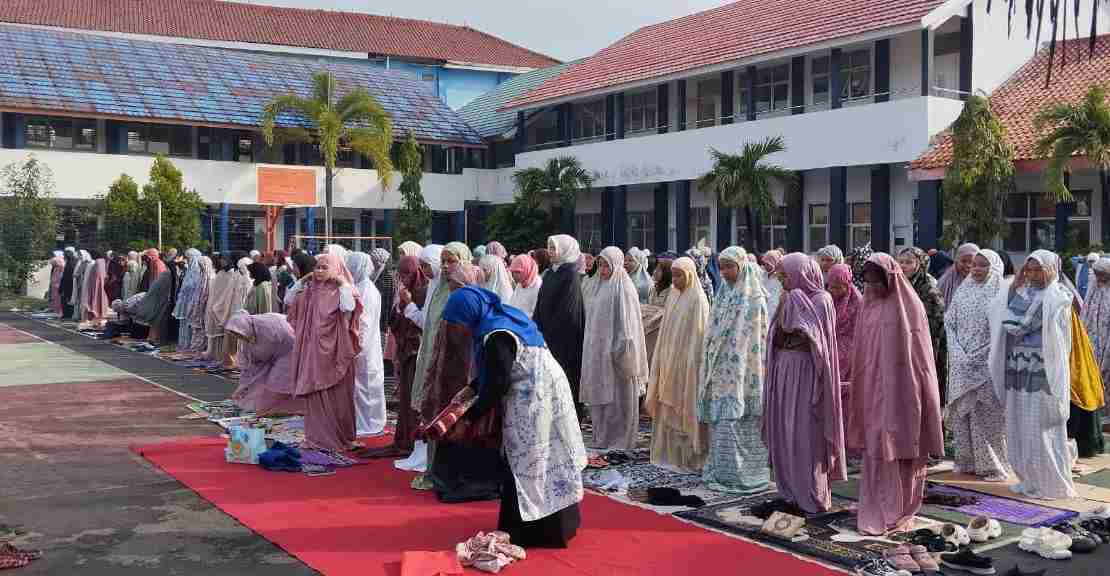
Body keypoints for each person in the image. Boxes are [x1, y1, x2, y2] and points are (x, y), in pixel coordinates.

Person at [444, 287, 587, 548]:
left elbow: (497, 383)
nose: (458, 329)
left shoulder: (496, 335)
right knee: (549, 454)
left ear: (469, 313)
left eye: (457, 321)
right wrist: (472, 389)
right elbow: (498, 369)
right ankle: (556, 526)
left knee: (529, 458)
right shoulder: (502, 321)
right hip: (545, 389)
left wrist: (468, 419)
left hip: (535, 397)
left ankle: (533, 531)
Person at [848, 252, 944, 535]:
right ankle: (876, 502)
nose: (872, 285)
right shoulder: (868, 304)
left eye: (877, 279)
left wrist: (918, 390)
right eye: (868, 280)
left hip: (903, 390)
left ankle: (900, 507)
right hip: (873, 389)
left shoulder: (909, 305)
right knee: (876, 444)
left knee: (902, 443)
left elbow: (921, 355)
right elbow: (862, 351)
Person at [989, 250, 1077, 500]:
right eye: (1029, 270)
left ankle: (1051, 483)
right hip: (1019, 368)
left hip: (1043, 370)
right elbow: (1004, 319)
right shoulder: (1025, 293)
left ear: (1052, 269)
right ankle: (1029, 478)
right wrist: (1014, 288)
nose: (1033, 274)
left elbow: (1018, 325)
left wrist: (1016, 300)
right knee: (1020, 423)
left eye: (1039, 269)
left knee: (1042, 426)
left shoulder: (1057, 296)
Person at [764, 253, 846, 514]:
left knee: (805, 433)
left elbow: (814, 339)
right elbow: (777, 333)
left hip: (808, 374)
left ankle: (811, 493)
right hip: (784, 370)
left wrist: (795, 307)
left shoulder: (822, 300)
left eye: (786, 276)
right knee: (784, 431)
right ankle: (788, 491)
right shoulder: (788, 297)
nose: (783, 282)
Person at [698, 247, 769, 494]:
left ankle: (747, 475)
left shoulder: (755, 298)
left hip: (744, 375)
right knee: (722, 425)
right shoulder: (723, 294)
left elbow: (757, 341)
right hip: (720, 372)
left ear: (742, 267)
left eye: (730, 267)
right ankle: (723, 471)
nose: (725, 272)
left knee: (741, 423)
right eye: (722, 268)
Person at [286, 252, 362, 452]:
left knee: (337, 398)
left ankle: (340, 437)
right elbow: (288, 299)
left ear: (336, 269)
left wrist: (341, 282)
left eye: (324, 267)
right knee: (315, 396)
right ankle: (318, 438)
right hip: (313, 355)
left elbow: (348, 307)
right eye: (317, 267)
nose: (319, 271)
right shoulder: (309, 291)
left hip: (335, 354)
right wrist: (303, 279)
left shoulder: (342, 291)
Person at [945, 249, 1009, 480]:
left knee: (986, 415)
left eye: (983, 265)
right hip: (961, 364)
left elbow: (1003, 331)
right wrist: (958, 352)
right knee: (963, 414)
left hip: (986, 364)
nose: (977, 269)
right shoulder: (964, 289)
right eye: (974, 265)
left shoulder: (1002, 292)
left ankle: (991, 465)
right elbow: (949, 322)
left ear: (994, 267)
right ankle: (967, 461)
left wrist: (980, 355)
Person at [645, 257, 710, 472]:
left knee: (683, 406)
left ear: (689, 275)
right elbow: (666, 330)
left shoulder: (698, 299)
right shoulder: (673, 295)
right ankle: (669, 454)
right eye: (673, 275)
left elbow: (699, 337)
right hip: (668, 358)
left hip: (687, 363)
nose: (675, 280)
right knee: (666, 405)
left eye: (679, 275)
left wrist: (690, 362)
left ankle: (688, 457)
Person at [581, 247, 649, 452]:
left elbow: (628, 325)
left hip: (617, 354)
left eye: (606, 266)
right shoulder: (598, 286)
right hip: (598, 351)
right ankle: (603, 436)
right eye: (600, 265)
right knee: (600, 395)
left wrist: (620, 349)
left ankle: (620, 439)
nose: (602, 270)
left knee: (618, 398)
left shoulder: (624, 288)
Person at [363, 255, 427, 459]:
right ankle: (404, 438)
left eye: (408, 274)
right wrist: (400, 306)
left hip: (417, 353)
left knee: (414, 399)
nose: (404, 278)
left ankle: (413, 440)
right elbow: (395, 321)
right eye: (401, 274)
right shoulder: (403, 291)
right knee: (406, 399)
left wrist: (408, 304)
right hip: (405, 351)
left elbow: (423, 324)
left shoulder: (424, 292)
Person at [393, 245, 443, 471]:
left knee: (427, 402)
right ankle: (416, 446)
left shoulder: (432, 289)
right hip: (419, 351)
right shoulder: (433, 287)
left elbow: (427, 323)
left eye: (425, 266)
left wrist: (409, 304)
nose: (424, 270)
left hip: (428, 352)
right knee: (413, 399)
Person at [533, 235, 586, 414]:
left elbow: (567, 311)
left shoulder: (570, 274)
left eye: (554, 248)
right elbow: (540, 302)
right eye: (549, 247)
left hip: (564, 339)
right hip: (546, 336)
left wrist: (550, 332)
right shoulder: (550, 273)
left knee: (566, 377)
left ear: (565, 250)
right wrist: (536, 328)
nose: (550, 251)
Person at [226, 311, 304, 414]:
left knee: (278, 383)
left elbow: (265, 358)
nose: (239, 337)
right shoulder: (248, 335)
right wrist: (241, 387)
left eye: (238, 333)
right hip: (279, 354)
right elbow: (249, 367)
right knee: (264, 381)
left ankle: (286, 407)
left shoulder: (268, 326)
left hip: (292, 350)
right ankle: (273, 406)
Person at [899, 247, 949, 404]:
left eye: (908, 262)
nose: (903, 266)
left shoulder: (929, 288)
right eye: (901, 262)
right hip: (904, 341)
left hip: (926, 342)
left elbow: (936, 322)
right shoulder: (900, 284)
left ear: (919, 264)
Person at [347, 251, 387, 437]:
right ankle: (364, 422)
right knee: (362, 387)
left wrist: (357, 346)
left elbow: (363, 323)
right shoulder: (361, 287)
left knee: (367, 387)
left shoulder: (367, 290)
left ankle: (369, 425)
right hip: (363, 345)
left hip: (364, 346)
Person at [206, 254, 252, 366]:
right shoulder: (235, 275)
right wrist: (220, 306)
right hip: (234, 307)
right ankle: (229, 357)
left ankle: (241, 359)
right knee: (232, 334)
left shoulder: (248, 279)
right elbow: (229, 293)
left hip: (245, 309)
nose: (242, 270)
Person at [826, 263, 861, 383]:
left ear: (847, 285)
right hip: (830, 347)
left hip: (851, 352)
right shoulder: (827, 298)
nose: (833, 291)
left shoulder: (857, 302)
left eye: (838, 287)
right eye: (831, 287)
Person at [1083, 258, 1110, 407]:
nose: (1099, 277)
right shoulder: (1093, 288)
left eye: (1102, 274)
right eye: (1097, 274)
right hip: (1092, 338)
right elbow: (1085, 311)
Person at [172, 249, 203, 345]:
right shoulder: (188, 270)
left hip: (193, 302)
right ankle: (183, 343)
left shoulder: (199, 271)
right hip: (186, 301)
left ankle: (189, 344)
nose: (187, 260)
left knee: (190, 323)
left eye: (189, 258)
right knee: (184, 323)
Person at [185, 256, 214, 355]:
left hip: (206, 307)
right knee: (197, 328)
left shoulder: (211, 277)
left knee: (203, 328)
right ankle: (195, 348)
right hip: (198, 307)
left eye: (202, 265)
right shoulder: (201, 276)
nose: (201, 267)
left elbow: (208, 294)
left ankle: (201, 348)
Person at [938, 243, 980, 308]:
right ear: (957, 261)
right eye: (963, 261)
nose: (968, 265)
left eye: (972, 262)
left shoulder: (982, 282)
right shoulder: (946, 281)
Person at [371, 247, 394, 355]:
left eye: (373, 260)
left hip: (382, 319)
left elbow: (387, 302)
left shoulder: (386, 277)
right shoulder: (375, 274)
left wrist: (385, 323)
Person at [81, 253, 109, 325]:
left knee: (96, 300)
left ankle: (97, 316)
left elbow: (93, 276)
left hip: (96, 285)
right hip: (100, 286)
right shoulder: (102, 263)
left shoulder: (96, 263)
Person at [760, 250, 784, 319]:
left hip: (775, 307)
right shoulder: (763, 275)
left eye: (768, 264)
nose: (766, 266)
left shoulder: (780, 277)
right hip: (764, 306)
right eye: (765, 264)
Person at [59, 248, 77, 319]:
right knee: (65, 299)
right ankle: (66, 314)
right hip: (66, 283)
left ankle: (68, 314)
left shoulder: (73, 262)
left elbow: (69, 274)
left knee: (68, 299)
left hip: (70, 283)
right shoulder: (69, 261)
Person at [48, 251, 65, 316]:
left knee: (58, 298)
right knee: (54, 297)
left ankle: (58, 310)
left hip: (58, 284)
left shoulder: (61, 265)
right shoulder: (55, 267)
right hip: (54, 284)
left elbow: (61, 276)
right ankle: (54, 309)